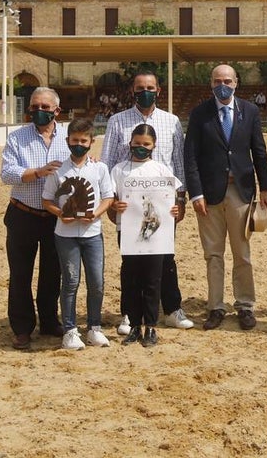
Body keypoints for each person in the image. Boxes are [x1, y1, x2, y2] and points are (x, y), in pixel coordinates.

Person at [100, 71, 194, 333]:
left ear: (158, 91)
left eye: (150, 87)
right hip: (128, 207)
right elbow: (107, 162)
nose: (145, 92)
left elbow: (178, 163)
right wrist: (110, 200)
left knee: (165, 258)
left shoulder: (172, 121)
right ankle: (129, 314)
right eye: (140, 88)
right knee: (131, 260)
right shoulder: (117, 121)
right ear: (132, 91)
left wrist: (181, 197)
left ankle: (172, 308)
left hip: (163, 206)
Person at [183, 64, 267, 331]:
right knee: (213, 254)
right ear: (211, 84)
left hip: (241, 192)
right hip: (208, 195)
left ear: (236, 83)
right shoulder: (200, 114)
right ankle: (215, 307)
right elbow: (191, 157)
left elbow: (259, 151)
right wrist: (195, 192)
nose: (223, 85)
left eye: (227, 80)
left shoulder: (250, 111)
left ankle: (245, 305)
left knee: (242, 253)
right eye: (217, 80)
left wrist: (265, 187)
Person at [0, 86, 70, 350]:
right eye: (34, 107)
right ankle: (21, 327)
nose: (38, 111)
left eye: (44, 107)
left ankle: (50, 321)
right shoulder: (17, 137)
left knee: (53, 272)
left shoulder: (68, 137)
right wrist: (37, 172)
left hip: (55, 216)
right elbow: (7, 173)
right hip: (23, 213)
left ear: (57, 111)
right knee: (20, 273)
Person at [42, 116, 114, 351]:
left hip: (92, 233)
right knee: (71, 281)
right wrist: (60, 214)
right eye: (75, 140)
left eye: (84, 140)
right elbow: (47, 200)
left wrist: (96, 214)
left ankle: (94, 327)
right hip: (65, 234)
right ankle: (70, 330)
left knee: (97, 282)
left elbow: (108, 197)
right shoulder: (58, 170)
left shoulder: (100, 168)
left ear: (91, 141)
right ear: (68, 141)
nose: (79, 144)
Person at [109, 124, 184, 347]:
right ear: (130, 142)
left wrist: (176, 208)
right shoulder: (119, 170)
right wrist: (116, 204)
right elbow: (110, 197)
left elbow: (175, 195)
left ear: (153, 146)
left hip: (156, 235)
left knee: (153, 279)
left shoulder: (161, 170)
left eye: (146, 144)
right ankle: (133, 324)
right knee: (131, 278)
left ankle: (151, 325)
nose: (141, 147)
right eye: (137, 143)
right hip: (128, 231)